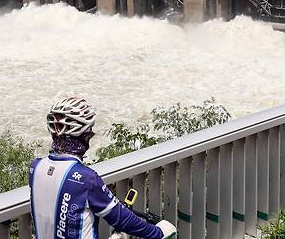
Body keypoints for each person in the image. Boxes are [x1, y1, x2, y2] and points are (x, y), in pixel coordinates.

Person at [29, 97, 177, 239]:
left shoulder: (35, 168)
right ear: (84, 135)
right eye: (89, 130)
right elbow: (121, 219)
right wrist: (158, 232)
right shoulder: (87, 179)